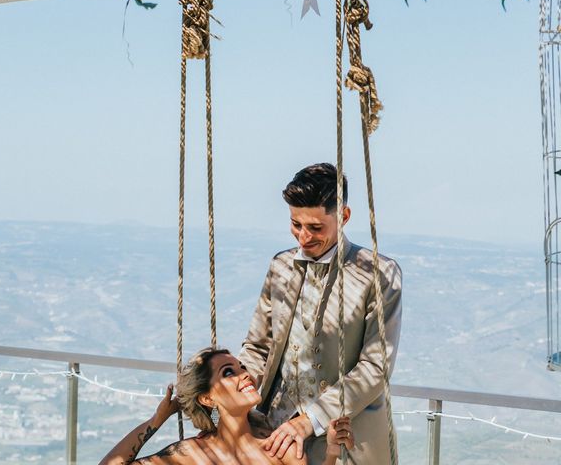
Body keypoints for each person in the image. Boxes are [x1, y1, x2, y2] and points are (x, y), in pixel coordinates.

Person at [238, 163, 402, 465]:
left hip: (347, 440)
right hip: (274, 438)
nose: (303, 237)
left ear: (344, 217)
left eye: (316, 228)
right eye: (295, 224)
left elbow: (375, 367)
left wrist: (308, 420)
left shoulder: (378, 274)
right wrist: (232, 385)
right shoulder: (280, 266)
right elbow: (258, 347)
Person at [99, 347, 354, 465]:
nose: (245, 375)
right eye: (228, 372)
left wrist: (331, 451)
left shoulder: (280, 449)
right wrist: (157, 420)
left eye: (242, 368)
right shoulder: (191, 453)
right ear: (207, 399)